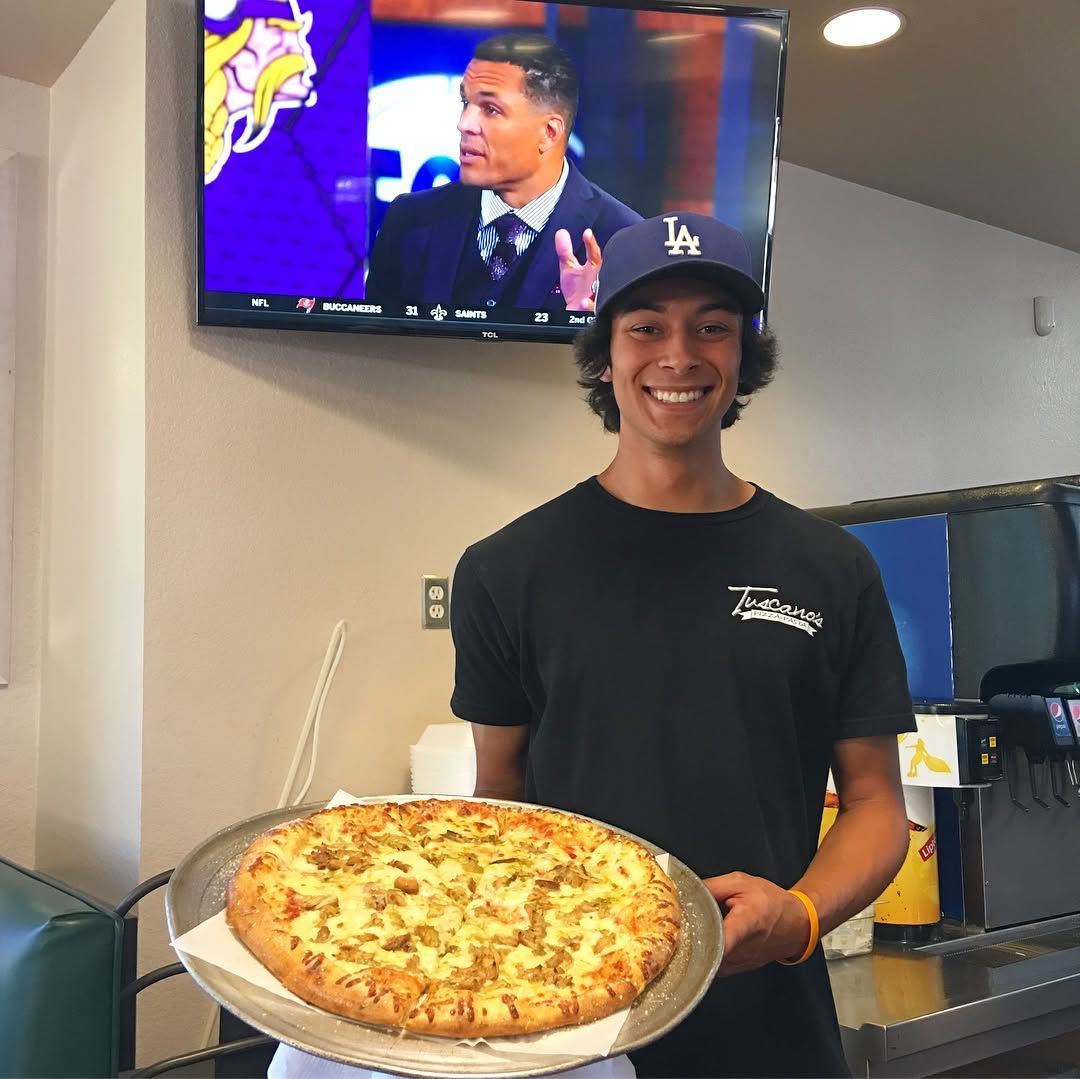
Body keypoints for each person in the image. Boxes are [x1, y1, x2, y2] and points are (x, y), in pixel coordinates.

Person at [449, 212, 915, 1077]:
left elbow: (877, 804)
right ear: (604, 353)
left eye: (712, 326)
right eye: (646, 326)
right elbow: (498, 807)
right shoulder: (506, 570)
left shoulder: (831, 569)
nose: (679, 354)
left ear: (744, 355)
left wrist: (801, 916)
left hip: (771, 1031)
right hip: (570, 1035)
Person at [365, 33, 641, 313]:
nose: (464, 124)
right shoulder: (409, 222)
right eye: (465, 103)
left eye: (491, 109)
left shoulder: (621, 239)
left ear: (548, 133)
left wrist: (587, 331)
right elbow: (370, 348)